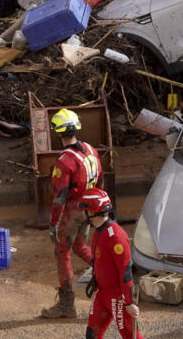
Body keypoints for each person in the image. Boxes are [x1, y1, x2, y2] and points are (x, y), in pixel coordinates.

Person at [41, 108, 104, 319]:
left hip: (73, 210)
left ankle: (67, 305)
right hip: (90, 206)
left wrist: (52, 223)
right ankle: (107, 272)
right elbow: (101, 180)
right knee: (79, 245)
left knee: (61, 251)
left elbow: (60, 196)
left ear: (58, 133)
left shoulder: (65, 161)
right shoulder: (90, 150)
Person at [78, 188, 143, 339]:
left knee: (130, 335)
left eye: (85, 210)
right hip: (102, 294)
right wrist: (95, 283)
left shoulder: (116, 237)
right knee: (92, 334)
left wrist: (128, 303)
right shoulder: (99, 231)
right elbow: (99, 263)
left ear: (93, 211)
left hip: (117, 297)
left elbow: (125, 271)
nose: (83, 214)